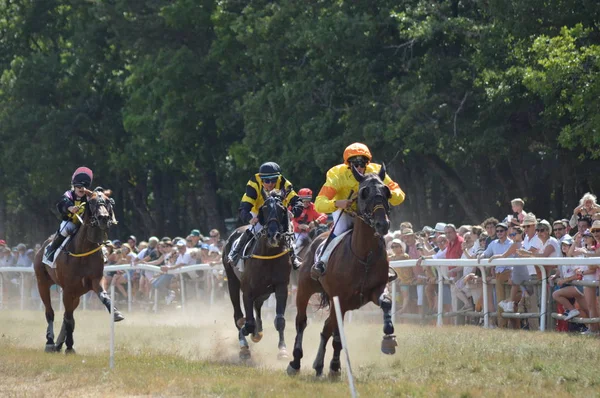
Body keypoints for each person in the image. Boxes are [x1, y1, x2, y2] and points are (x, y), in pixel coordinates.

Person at [310, 143, 406, 280]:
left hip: (366, 214)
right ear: (348, 164)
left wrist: (387, 192)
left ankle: (385, 267)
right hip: (344, 210)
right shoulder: (336, 174)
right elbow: (319, 204)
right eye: (356, 164)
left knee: (380, 231)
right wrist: (337, 203)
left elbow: (400, 195)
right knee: (339, 230)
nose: (360, 167)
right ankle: (322, 262)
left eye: (363, 163)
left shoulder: (377, 172)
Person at [227, 162, 304, 268]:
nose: (270, 184)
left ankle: (293, 256)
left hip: (277, 213)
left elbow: (298, 202)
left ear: (278, 178)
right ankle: (235, 252)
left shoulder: (284, 184)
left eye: (274, 180)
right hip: (259, 211)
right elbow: (244, 207)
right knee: (255, 228)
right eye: (267, 180)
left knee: (289, 230)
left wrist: (293, 213)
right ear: (261, 179)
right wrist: (250, 218)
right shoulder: (253, 184)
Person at [43, 166, 93, 265]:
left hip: (85, 225)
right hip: (71, 223)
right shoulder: (69, 194)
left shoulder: (89, 197)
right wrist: (70, 208)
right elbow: (62, 202)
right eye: (79, 186)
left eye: (84, 187)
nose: (82, 189)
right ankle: (51, 251)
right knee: (65, 229)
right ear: (74, 186)